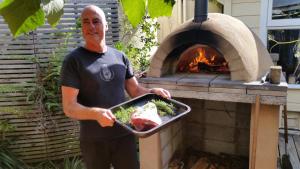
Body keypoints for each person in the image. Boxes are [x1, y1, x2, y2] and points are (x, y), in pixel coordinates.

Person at [60, 5, 171, 169]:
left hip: (124, 135)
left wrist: (152, 93)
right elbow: (69, 107)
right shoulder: (73, 61)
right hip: (94, 140)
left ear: (105, 25)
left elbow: (135, 90)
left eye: (96, 21)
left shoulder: (120, 57)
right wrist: (96, 113)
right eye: (86, 22)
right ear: (82, 27)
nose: (91, 26)